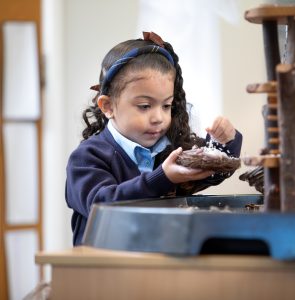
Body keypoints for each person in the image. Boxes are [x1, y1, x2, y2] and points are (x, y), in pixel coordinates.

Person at [66, 32, 243, 246]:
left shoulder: (168, 149)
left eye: (166, 105)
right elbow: (101, 205)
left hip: (156, 270)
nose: (158, 117)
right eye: (144, 106)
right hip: (104, 274)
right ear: (108, 106)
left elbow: (215, 171)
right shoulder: (87, 157)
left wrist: (224, 141)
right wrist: (162, 178)